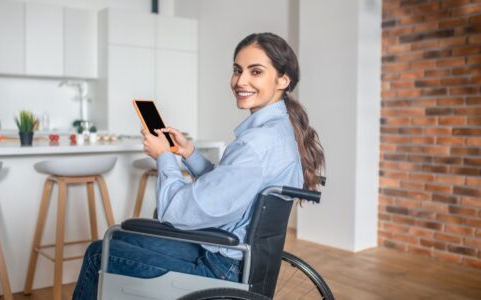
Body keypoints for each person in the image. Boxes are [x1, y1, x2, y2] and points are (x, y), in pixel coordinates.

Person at [72, 32, 325, 299]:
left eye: (256, 71)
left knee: (100, 252)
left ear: (283, 80)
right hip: (238, 259)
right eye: (237, 70)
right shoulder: (282, 130)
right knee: (121, 240)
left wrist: (164, 157)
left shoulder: (256, 144)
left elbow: (178, 212)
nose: (241, 81)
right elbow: (230, 190)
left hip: (221, 269)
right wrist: (189, 153)